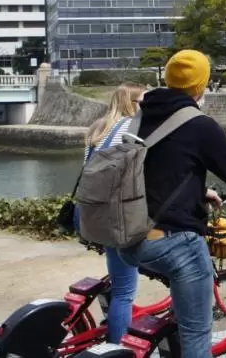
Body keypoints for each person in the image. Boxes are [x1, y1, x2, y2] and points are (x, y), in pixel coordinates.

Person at [119, 50, 226, 358]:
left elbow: (160, 171)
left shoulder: (140, 116)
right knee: (197, 336)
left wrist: (200, 191)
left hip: (128, 237)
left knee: (182, 319)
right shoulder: (200, 125)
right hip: (173, 242)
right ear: (202, 85)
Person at [79, 82, 144, 343]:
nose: (145, 107)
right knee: (125, 292)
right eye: (142, 102)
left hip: (94, 214)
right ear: (131, 103)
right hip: (119, 218)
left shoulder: (98, 128)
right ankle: (118, 348)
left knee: (119, 279)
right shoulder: (131, 128)